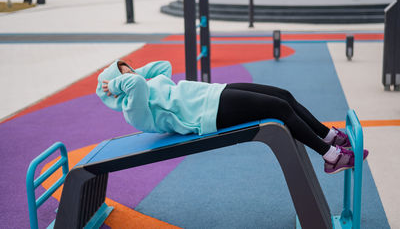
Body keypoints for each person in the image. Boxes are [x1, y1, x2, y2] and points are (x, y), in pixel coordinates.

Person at [97, 60, 368, 174]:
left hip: (213, 94)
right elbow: (138, 85)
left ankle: (328, 135)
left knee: (283, 95)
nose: (132, 74)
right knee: (279, 109)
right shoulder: (134, 110)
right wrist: (122, 82)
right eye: (124, 74)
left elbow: (162, 67)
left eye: (130, 70)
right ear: (118, 88)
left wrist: (128, 71)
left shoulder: (143, 82)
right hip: (207, 113)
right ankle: (331, 156)